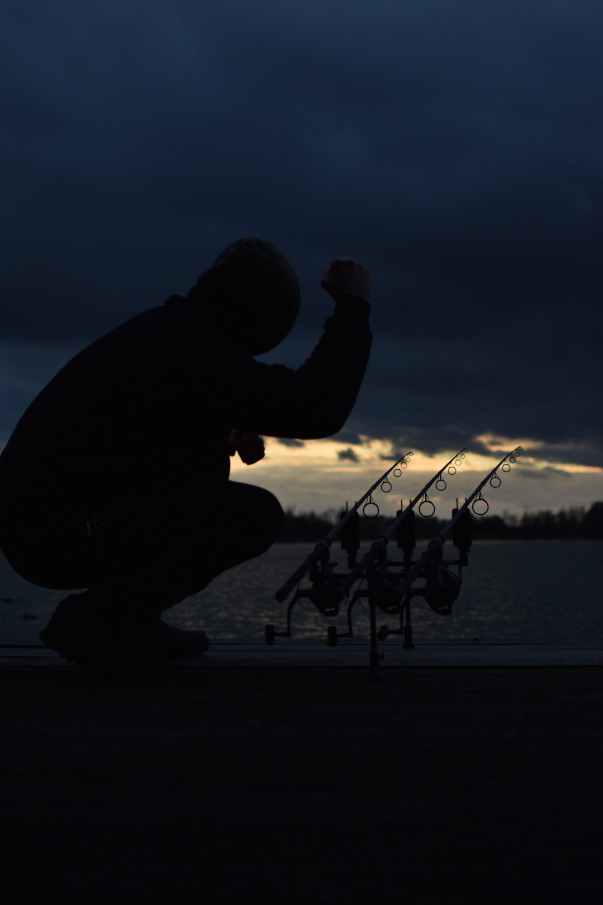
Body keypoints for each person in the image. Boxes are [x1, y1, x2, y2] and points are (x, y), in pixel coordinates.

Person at [0, 238, 372, 672]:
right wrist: (353, 304)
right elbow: (316, 407)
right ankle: (99, 620)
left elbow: (132, 432)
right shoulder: (193, 347)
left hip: (43, 523)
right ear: (265, 315)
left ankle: (132, 618)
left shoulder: (174, 333)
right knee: (254, 515)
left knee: (208, 470)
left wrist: (219, 428)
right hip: (56, 530)